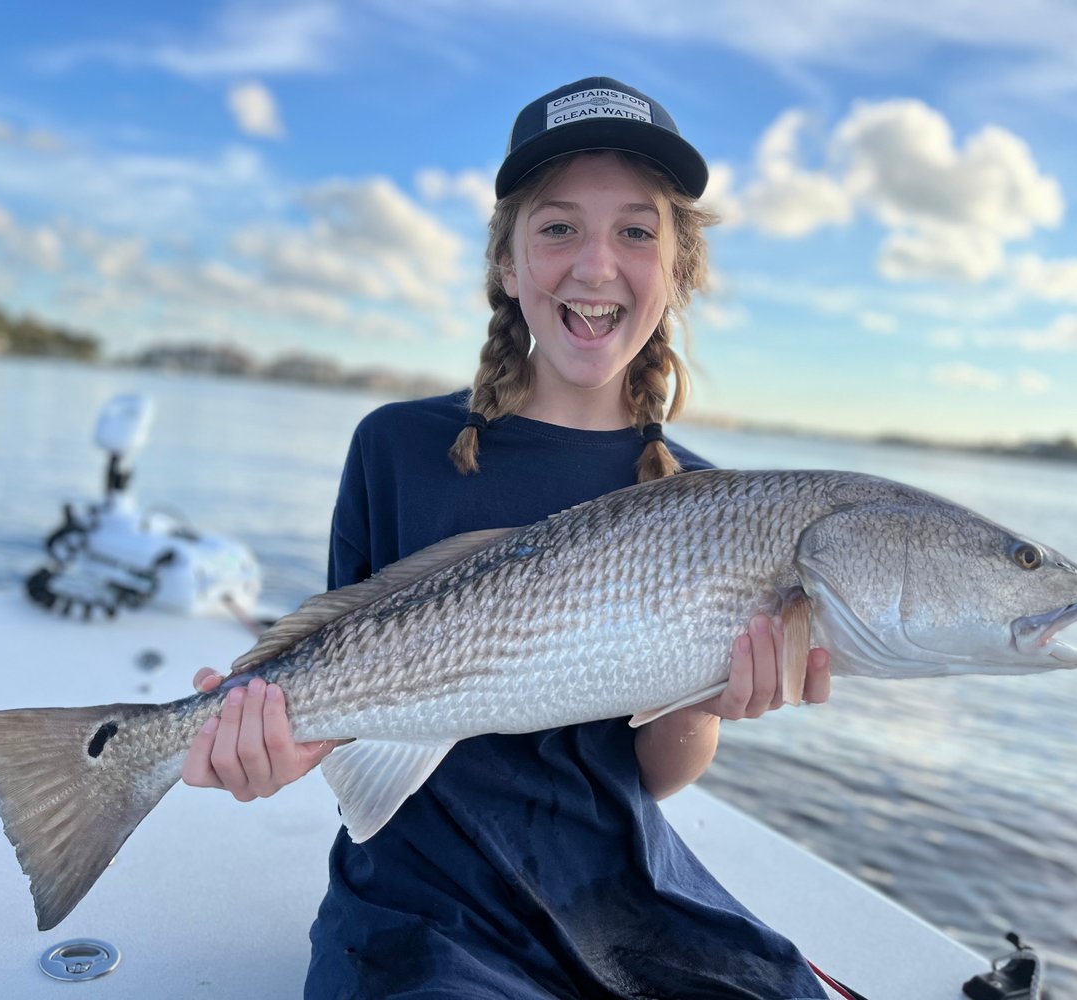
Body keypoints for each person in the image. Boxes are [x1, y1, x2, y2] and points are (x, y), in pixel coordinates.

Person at [182, 76, 833, 999]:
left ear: (678, 269)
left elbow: (654, 777)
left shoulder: (704, 503)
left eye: (636, 231)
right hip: (419, 902)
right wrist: (274, 742)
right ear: (506, 263)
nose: (595, 265)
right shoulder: (398, 446)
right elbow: (337, 677)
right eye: (558, 226)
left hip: (621, 891)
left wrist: (705, 701)